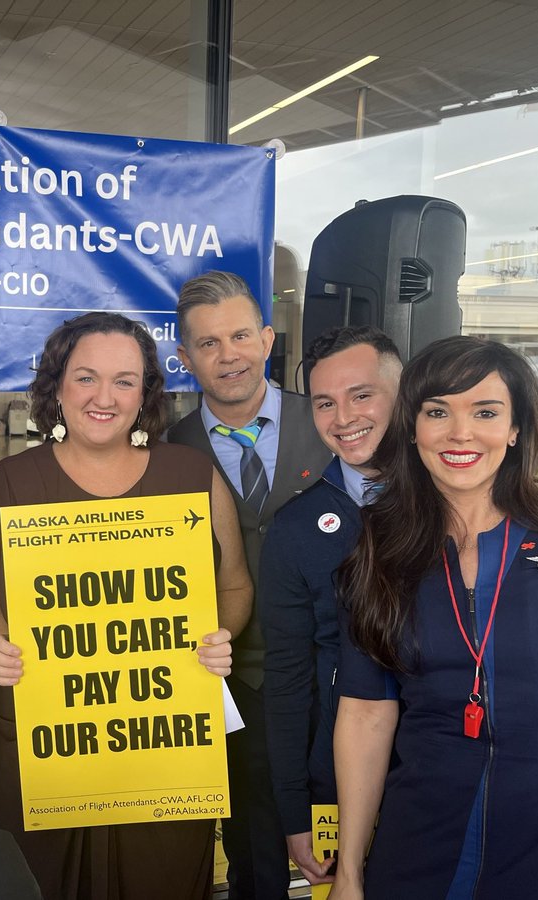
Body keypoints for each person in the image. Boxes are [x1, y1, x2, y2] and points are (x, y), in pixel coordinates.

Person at [259, 325, 538, 886]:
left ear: (515, 429)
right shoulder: (380, 551)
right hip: (422, 848)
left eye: (485, 412)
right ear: (412, 429)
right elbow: (365, 714)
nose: (460, 433)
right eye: (437, 412)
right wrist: (351, 872)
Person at [0, 311, 252, 899]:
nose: (105, 397)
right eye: (86, 378)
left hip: (163, 735)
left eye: (124, 380)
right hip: (43, 730)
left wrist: (218, 635)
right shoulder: (10, 480)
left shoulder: (191, 475)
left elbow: (233, 586)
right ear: (56, 386)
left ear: (146, 393)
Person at [167, 270, 332, 900]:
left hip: (336, 675)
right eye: (208, 343)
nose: (227, 354)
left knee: (356, 841)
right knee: (254, 854)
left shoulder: (331, 423)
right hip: (230, 685)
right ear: (185, 359)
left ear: (267, 339)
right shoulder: (163, 453)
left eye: (240, 335)